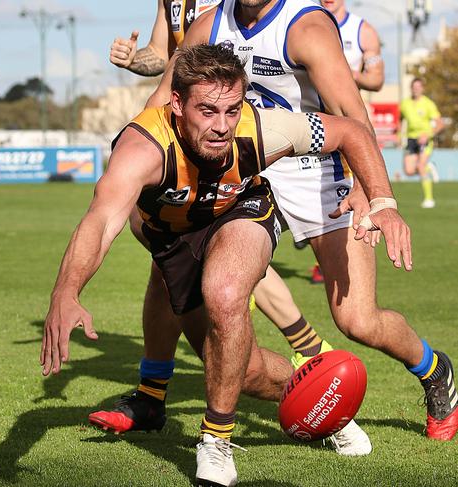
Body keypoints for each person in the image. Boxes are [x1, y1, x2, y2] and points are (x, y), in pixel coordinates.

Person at [42, 43, 412, 486]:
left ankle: (216, 440)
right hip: (174, 239)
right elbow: (101, 222)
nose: (221, 127)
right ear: (176, 104)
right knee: (244, 370)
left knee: (225, 290)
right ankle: (324, 405)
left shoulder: (263, 129)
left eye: (232, 111)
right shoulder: (143, 148)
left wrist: (383, 200)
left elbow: (351, 131)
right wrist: (67, 291)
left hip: (241, 212)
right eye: (208, 112)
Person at [103, 0, 458, 453]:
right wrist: (133, 162)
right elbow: (163, 101)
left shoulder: (305, 26)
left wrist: (371, 190)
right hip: (245, 172)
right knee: (185, 277)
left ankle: (433, 370)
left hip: (317, 176)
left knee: (358, 320)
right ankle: (161, 397)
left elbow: (350, 112)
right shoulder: (209, 24)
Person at [105, 0, 338, 440]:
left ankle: (306, 353)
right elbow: (164, 54)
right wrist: (137, 62)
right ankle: (153, 395)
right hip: (185, 132)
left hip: (238, 139)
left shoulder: (238, 9)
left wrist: (376, 193)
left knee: (229, 286)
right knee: (167, 260)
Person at [309, 0, 384, 283]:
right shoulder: (305, 22)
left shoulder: (362, 31)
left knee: (353, 194)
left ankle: (345, 261)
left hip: (349, 125)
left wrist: (334, 67)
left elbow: (377, 79)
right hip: (313, 126)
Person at [400, 77, 444, 208]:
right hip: (411, 139)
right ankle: (429, 167)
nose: (416, 89)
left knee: (420, 166)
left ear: (422, 89)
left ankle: (429, 199)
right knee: (408, 171)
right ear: (411, 88)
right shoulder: (405, 104)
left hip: (425, 139)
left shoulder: (428, 104)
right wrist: (398, 134)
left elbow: (440, 124)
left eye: (419, 87)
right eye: (414, 87)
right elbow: (400, 119)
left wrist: (428, 134)